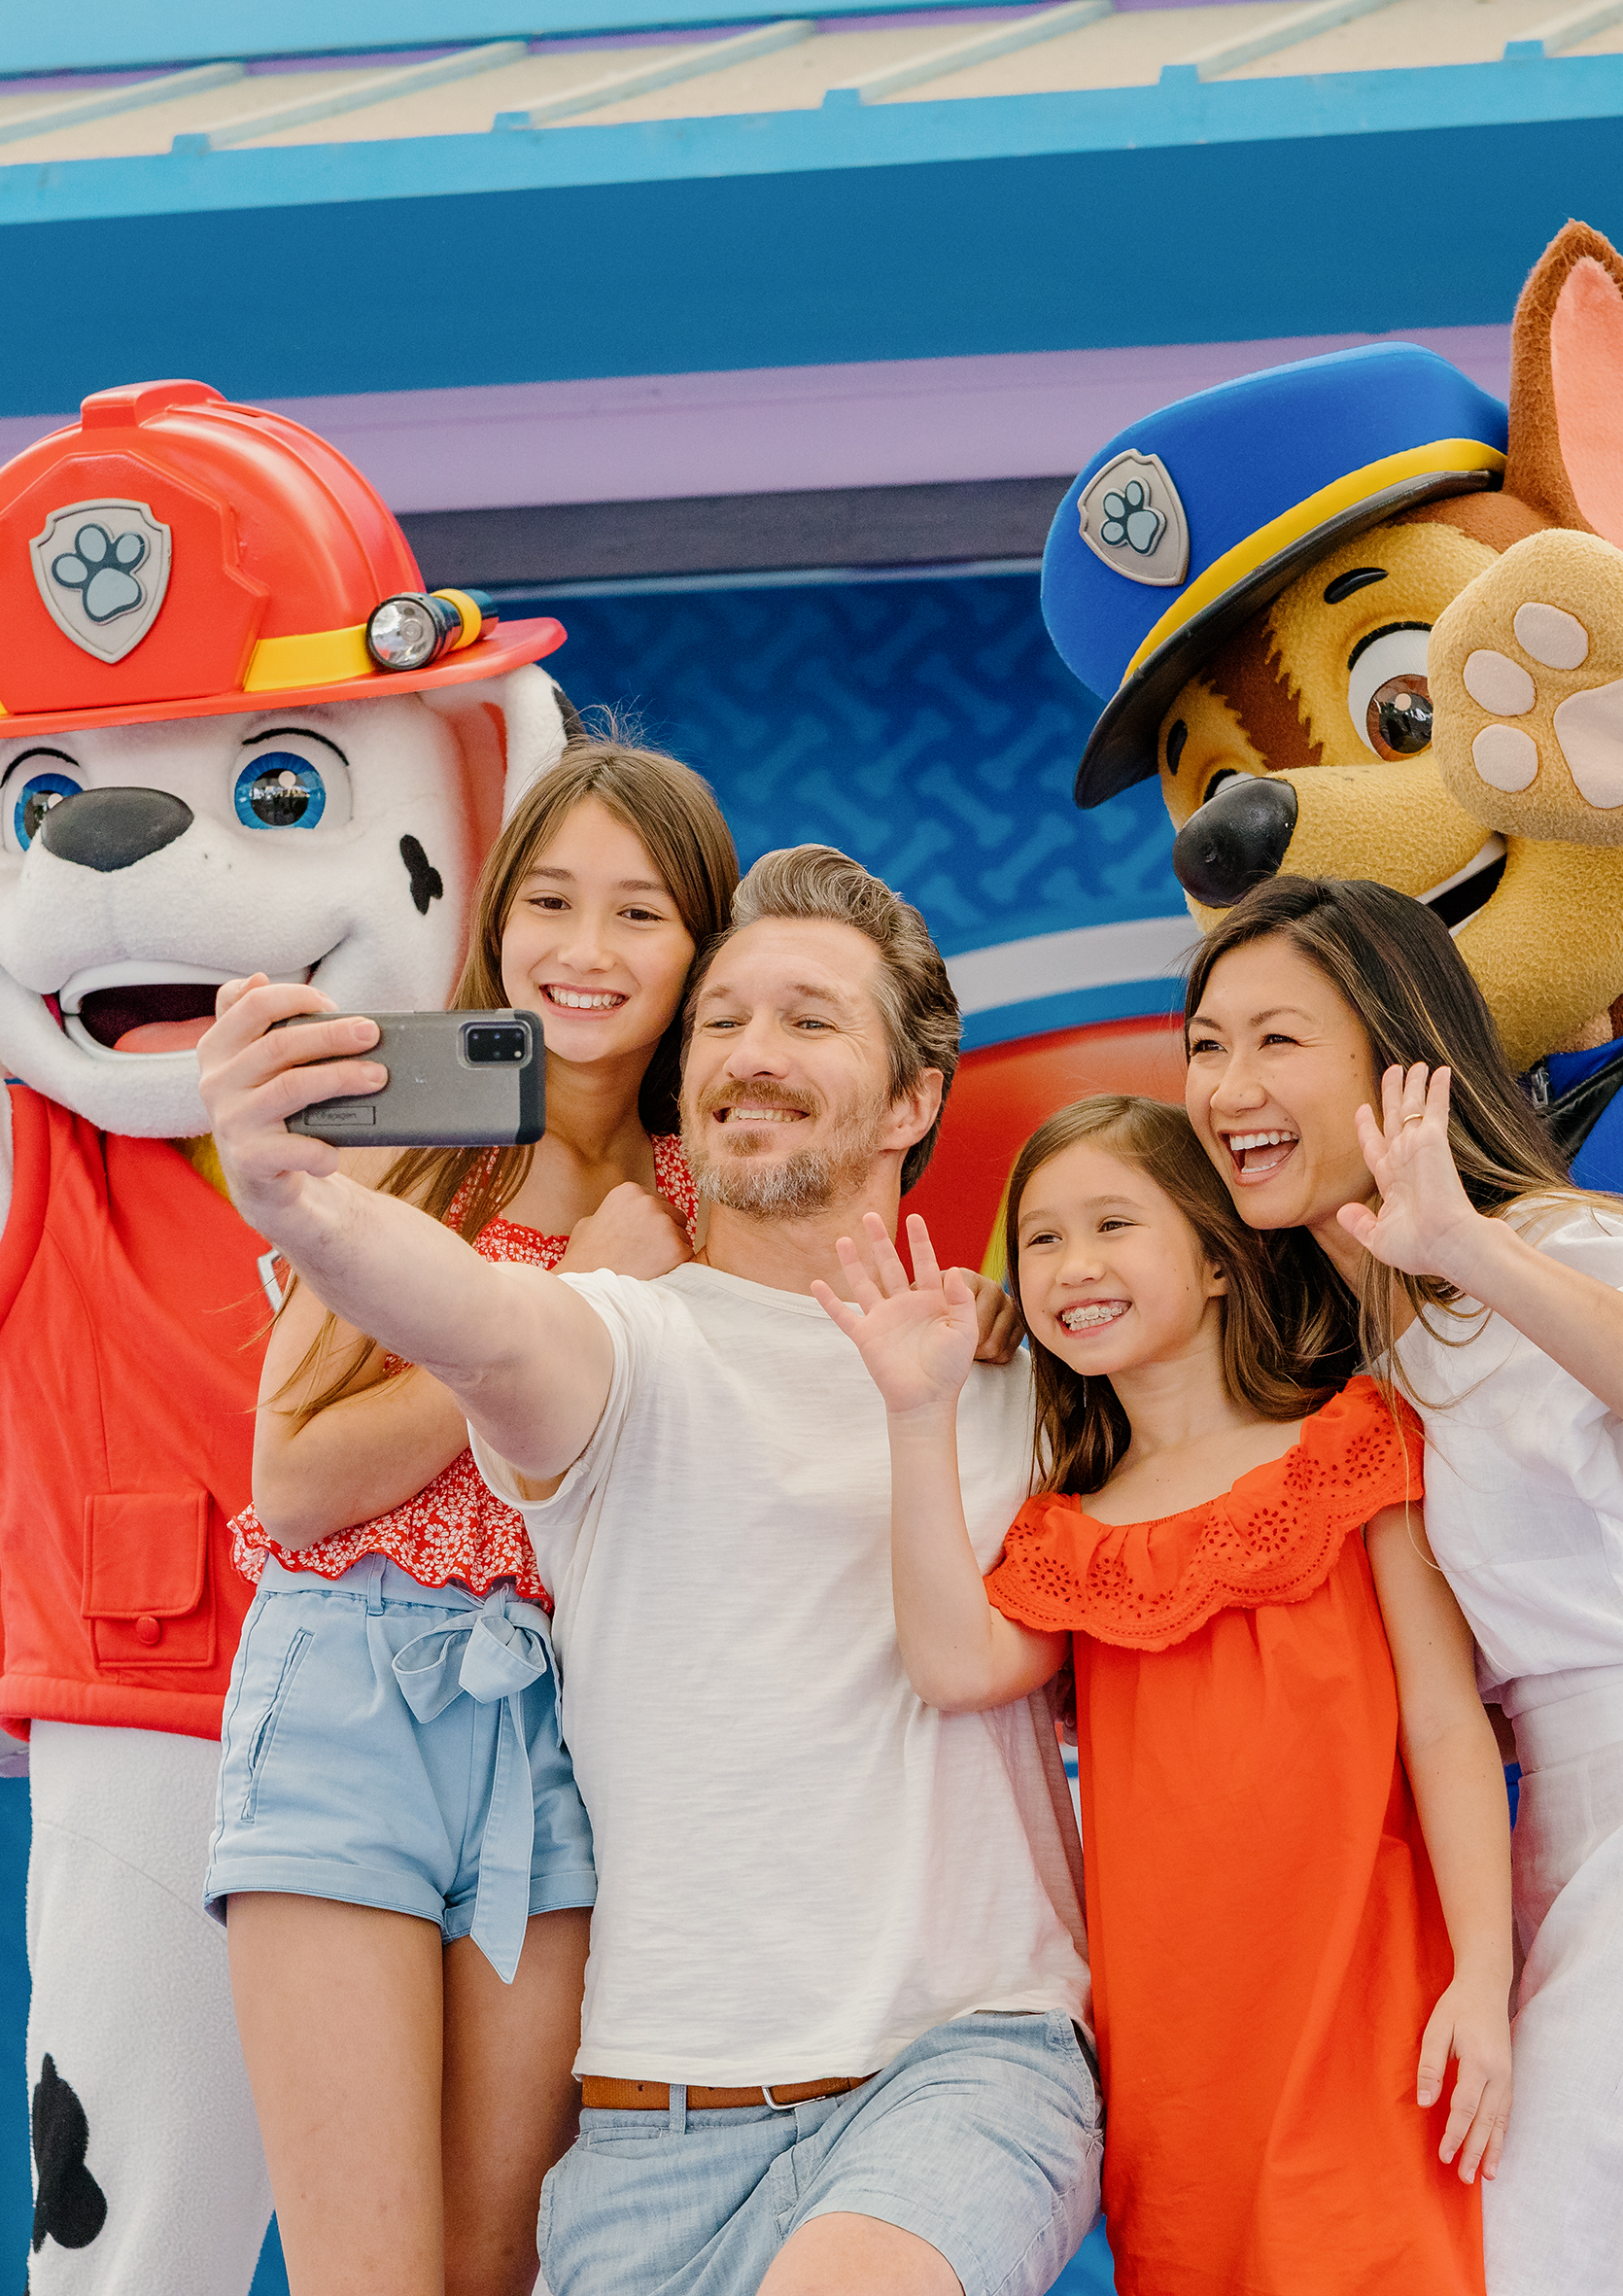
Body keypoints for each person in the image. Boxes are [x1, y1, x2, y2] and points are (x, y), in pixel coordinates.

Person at [200, 843, 1098, 2296]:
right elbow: (479, 1319)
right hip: (645, 2139)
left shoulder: (1037, 1370)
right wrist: (298, 1197)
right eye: (723, 1020)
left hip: (967, 2061)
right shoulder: (621, 1339)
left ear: (913, 1099)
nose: (751, 1051)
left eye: (809, 1019)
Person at [1179, 875, 1623, 2296]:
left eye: (1277, 1039)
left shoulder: (1544, 1248)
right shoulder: (1341, 1348)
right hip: (1553, 1839)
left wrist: (1469, 1244)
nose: (1228, 1086)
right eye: (1205, 1043)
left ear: (1399, 1060)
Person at [812, 1093, 1511, 2295]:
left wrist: (1484, 1978)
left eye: (1112, 1224)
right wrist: (917, 1415)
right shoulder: (1068, 1531)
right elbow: (953, 1665)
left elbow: (1448, 1727)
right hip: (1179, 2049)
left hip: (1368, 2005)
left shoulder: (1356, 1440)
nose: (1072, 1265)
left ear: (1221, 1256)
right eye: (1040, 1238)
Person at [209, 739, 734, 2296]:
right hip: (350, 1696)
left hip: (570, 1727)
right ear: (496, 918)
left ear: (700, 947)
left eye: (639, 911)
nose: (586, 948)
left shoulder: (707, 1187)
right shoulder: (415, 1131)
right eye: (550, 900)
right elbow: (296, 1477)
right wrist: (556, 1310)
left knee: (497, 2265)